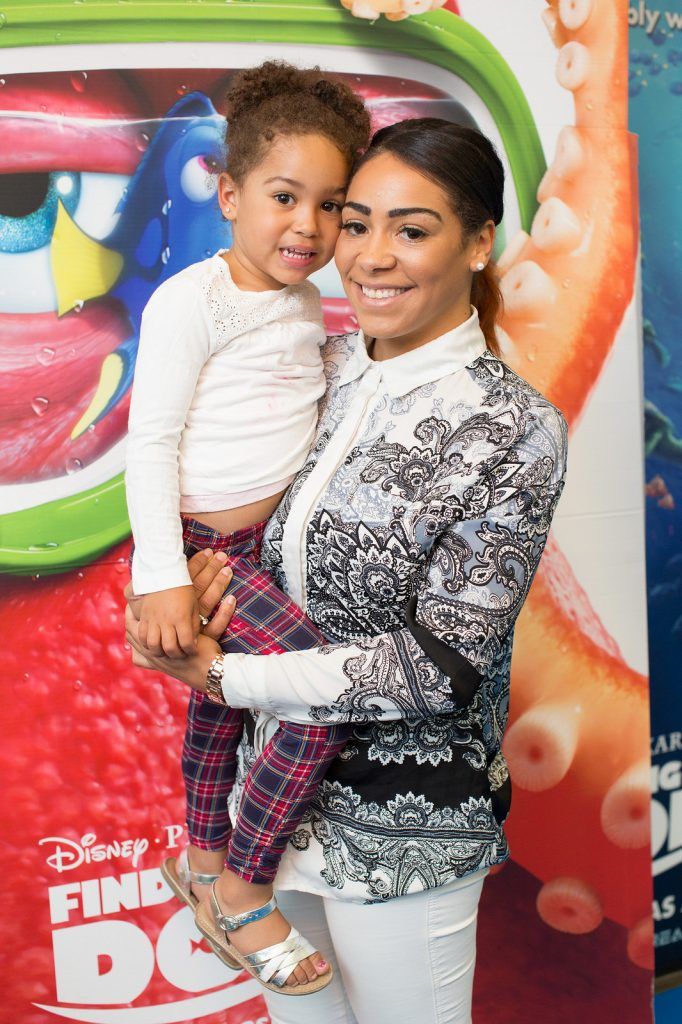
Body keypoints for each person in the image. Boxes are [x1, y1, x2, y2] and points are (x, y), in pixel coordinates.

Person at [126, 117, 568, 1023]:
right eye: (355, 221)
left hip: (403, 828)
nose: (369, 255)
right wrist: (168, 585)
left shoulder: (512, 429)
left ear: (480, 243)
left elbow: (438, 668)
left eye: (412, 229)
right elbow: (197, 486)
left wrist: (220, 672)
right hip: (273, 816)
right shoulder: (316, 367)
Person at [125, 61, 371, 995]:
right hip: (208, 550)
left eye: (330, 205)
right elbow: (150, 441)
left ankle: (197, 857)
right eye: (282, 197)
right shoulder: (192, 300)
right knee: (321, 698)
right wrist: (162, 574)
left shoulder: (306, 300)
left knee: (222, 706)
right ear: (228, 195)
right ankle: (239, 886)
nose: (306, 226)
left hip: (269, 553)